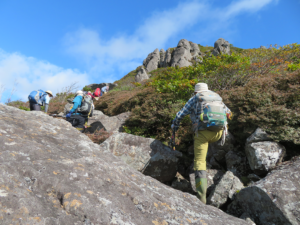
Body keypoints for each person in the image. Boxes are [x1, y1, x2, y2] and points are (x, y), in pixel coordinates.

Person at [171, 83, 231, 204]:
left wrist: (174, 126)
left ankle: (201, 198)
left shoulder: (195, 98)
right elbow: (229, 113)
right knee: (209, 150)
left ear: (196, 92)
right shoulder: (216, 97)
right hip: (220, 133)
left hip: (203, 133)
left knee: (199, 162)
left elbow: (180, 115)